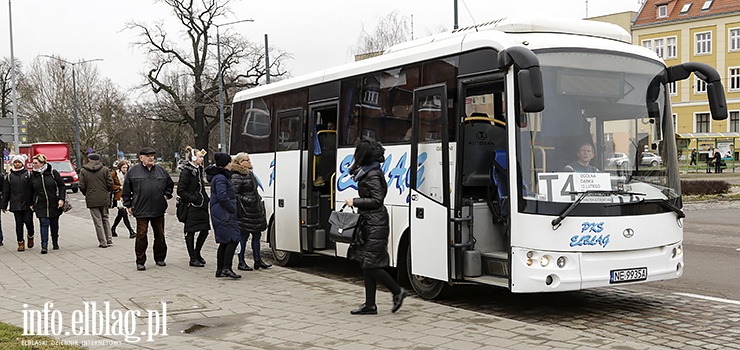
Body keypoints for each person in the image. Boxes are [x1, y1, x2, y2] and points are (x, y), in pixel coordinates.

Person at [345, 138, 408, 315]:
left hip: (375, 223)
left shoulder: (372, 174)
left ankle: (397, 291)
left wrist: (354, 201)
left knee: (371, 265)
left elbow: (377, 200)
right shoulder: (368, 171)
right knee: (367, 263)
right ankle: (370, 305)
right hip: (370, 222)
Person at [122, 147, 175, 271]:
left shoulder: (161, 171)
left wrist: (166, 195)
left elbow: (170, 185)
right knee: (141, 235)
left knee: (160, 235)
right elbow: (126, 190)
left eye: (152, 156)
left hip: (158, 208)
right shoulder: (133, 172)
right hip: (141, 208)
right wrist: (129, 205)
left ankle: (160, 258)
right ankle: (140, 261)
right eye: (148, 156)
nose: (151, 158)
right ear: (141, 158)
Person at [231, 152, 271, 271]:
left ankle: (257, 260)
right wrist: (248, 199)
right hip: (245, 211)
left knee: (257, 235)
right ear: (240, 162)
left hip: (255, 210)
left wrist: (257, 199)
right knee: (243, 237)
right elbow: (234, 194)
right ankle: (241, 261)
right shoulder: (236, 176)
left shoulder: (250, 174)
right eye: (246, 160)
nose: (249, 162)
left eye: (249, 160)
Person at [205, 152, 241, 279]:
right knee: (233, 239)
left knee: (224, 242)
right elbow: (222, 196)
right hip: (224, 213)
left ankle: (220, 269)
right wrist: (232, 208)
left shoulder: (219, 176)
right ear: (225, 164)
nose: (231, 164)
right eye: (230, 162)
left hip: (220, 212)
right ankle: (226, 268)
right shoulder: (220, 178)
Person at [177, 146, 210, 267]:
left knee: (205, 230)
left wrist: (206, 199)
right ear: (194, 157)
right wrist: (193, 199)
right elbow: (181, 190)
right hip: (191, 207)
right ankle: (192, 257)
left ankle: (197, 253)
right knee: (190, 232)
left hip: (202, 205)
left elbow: (201, 186)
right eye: (200, 157)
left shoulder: (199, 169)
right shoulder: (187, 171)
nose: (202, 159)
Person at [29, 154, 65, 254]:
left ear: (42, 163)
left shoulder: (53, 173)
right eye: (33, 163)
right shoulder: (33, 175)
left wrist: (61, 199)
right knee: (43, 224)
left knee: (54, 225)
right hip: (40, 204)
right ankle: (44, 245)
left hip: (54, 204)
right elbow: (30, 191)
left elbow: (61, 186)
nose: (34, 165)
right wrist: (31, 203)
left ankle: (55, 242)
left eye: (36, 163)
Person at [79, 153, 114, 248]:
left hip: (91, 198)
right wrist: (106, 191)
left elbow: (81, 185)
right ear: (98, 160)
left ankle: (103, 242)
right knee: (105, 218)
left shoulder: (83, 171)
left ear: (89, 160)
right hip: (104, 197)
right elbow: (110, 183)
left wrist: (86, 193)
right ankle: (109, 239)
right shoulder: (105, 169)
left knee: (97, 220)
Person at [1, 155, 35, 251]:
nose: (17, 164)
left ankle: (30, 236)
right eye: (15, 162)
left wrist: (33, 203)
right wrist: (4, 205)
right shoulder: (9, 176)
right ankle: (20, 242)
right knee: (18, 224)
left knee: (28, 222)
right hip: (15, 203)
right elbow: (6, 191)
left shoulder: (28, 174)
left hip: (27, 204)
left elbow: (33, 190)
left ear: (22, 163)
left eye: (19, 162)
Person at [110, 161, 135, 239]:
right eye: (123, 167)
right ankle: (131, 231)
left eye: (126, 167)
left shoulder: (129, 174)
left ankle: (113, 228)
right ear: (120, 167)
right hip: (118, 197)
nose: (125, 169)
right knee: (124, 213)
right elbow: (110, 185)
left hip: (127, 196)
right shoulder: (114, 174)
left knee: (120, 215)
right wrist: (119, 187)